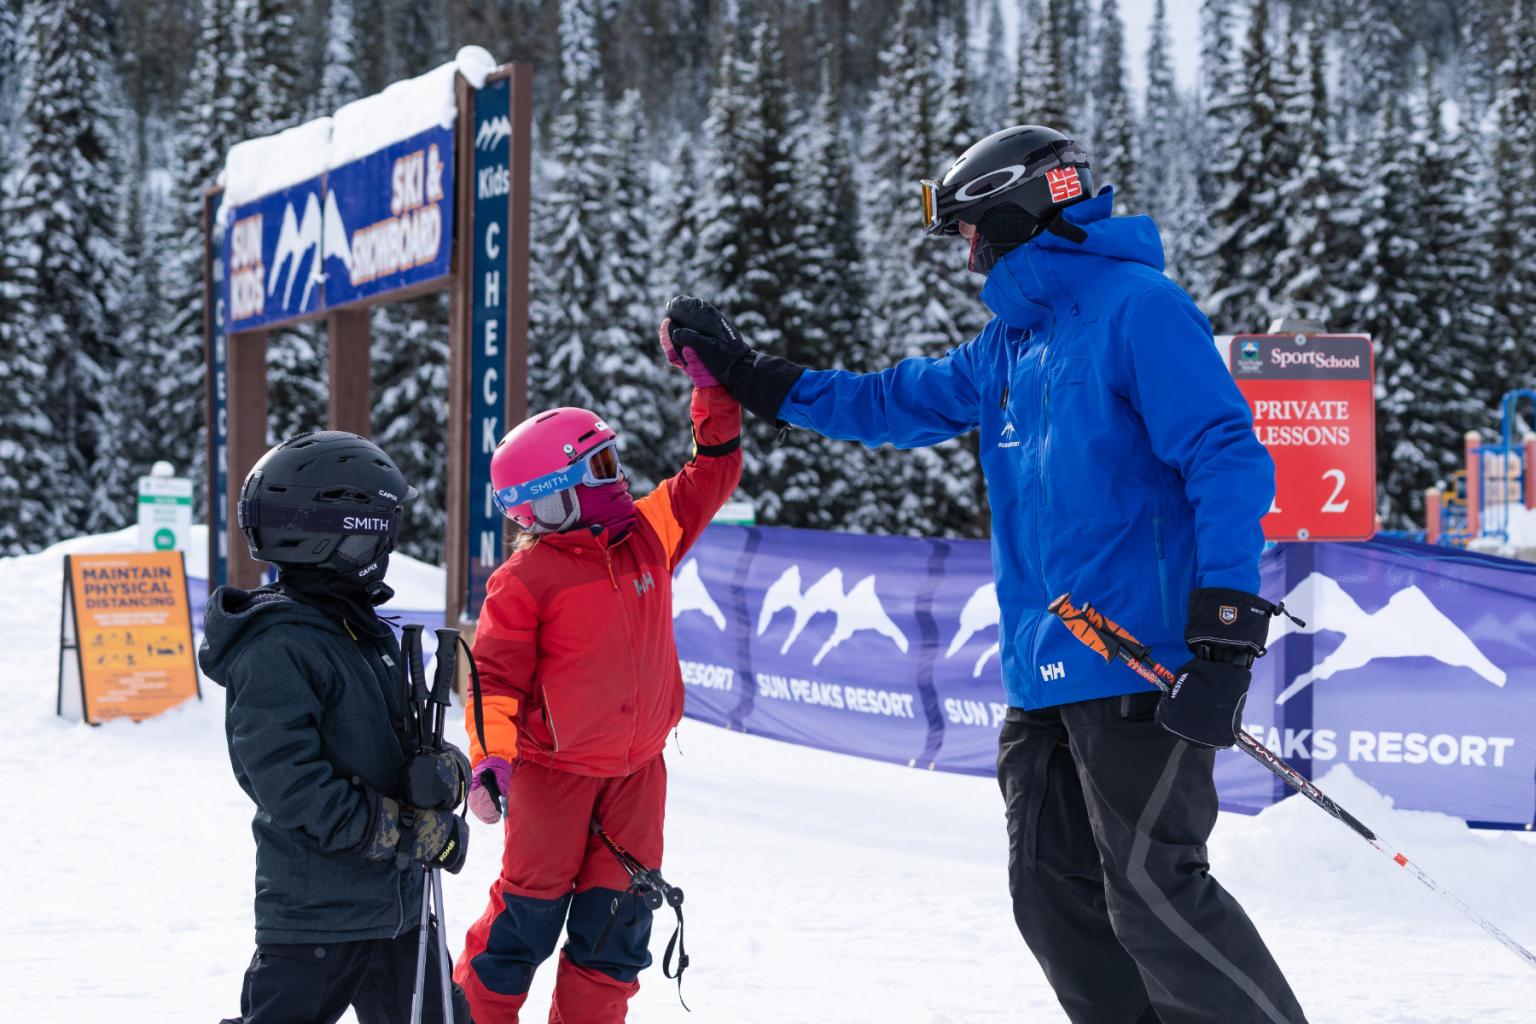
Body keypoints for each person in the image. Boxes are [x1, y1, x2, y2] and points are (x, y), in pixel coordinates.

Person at [661, 126, 1309, 1024]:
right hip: (1043, 668)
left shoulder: (1138, 309)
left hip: (1142, 664)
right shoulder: (1007, 345)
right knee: (1054, 902)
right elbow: (891, 402)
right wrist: (748, 374)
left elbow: (1225, 453)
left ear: (1016, 210)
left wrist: (1227, 630)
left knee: (1154, 894)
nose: (967, 252)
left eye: (970, 229)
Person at [453, 370, 742, 1021]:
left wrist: (713, 392)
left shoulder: (647, 535)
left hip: (638, 774)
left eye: (611, 459)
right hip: (553, 777)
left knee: (617, 927)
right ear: (552, 499)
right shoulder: (526, 581)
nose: (617, 479)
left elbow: (710, 476)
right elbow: (493, 683)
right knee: (524, 922)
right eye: (598, 466)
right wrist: (490, 760)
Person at [202, 431, 472, 1024]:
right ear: (346, 537)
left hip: (398, 911)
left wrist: (444, 769)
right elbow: (288, 782)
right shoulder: (279, 648)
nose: (390, 546)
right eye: (383, 527)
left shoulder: (356, 631)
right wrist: (400, 832)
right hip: (317, 916)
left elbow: (399, 742)